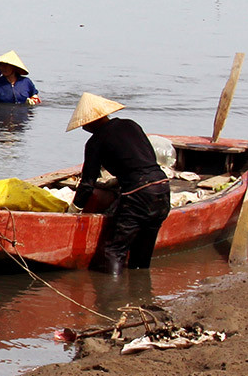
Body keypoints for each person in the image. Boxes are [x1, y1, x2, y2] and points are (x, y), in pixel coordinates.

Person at [67, 93, 171, 274]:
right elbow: (146, 160)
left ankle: (112, 296)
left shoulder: (95, 142)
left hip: (138, 195)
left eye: (84, 124)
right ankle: (141, 293)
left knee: (115, 250)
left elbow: (87, 183)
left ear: (91, 121)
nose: (84, 128)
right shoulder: (131, 125)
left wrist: (74, 210)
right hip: (162, 188)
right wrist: (118, 181)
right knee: (142, 253)